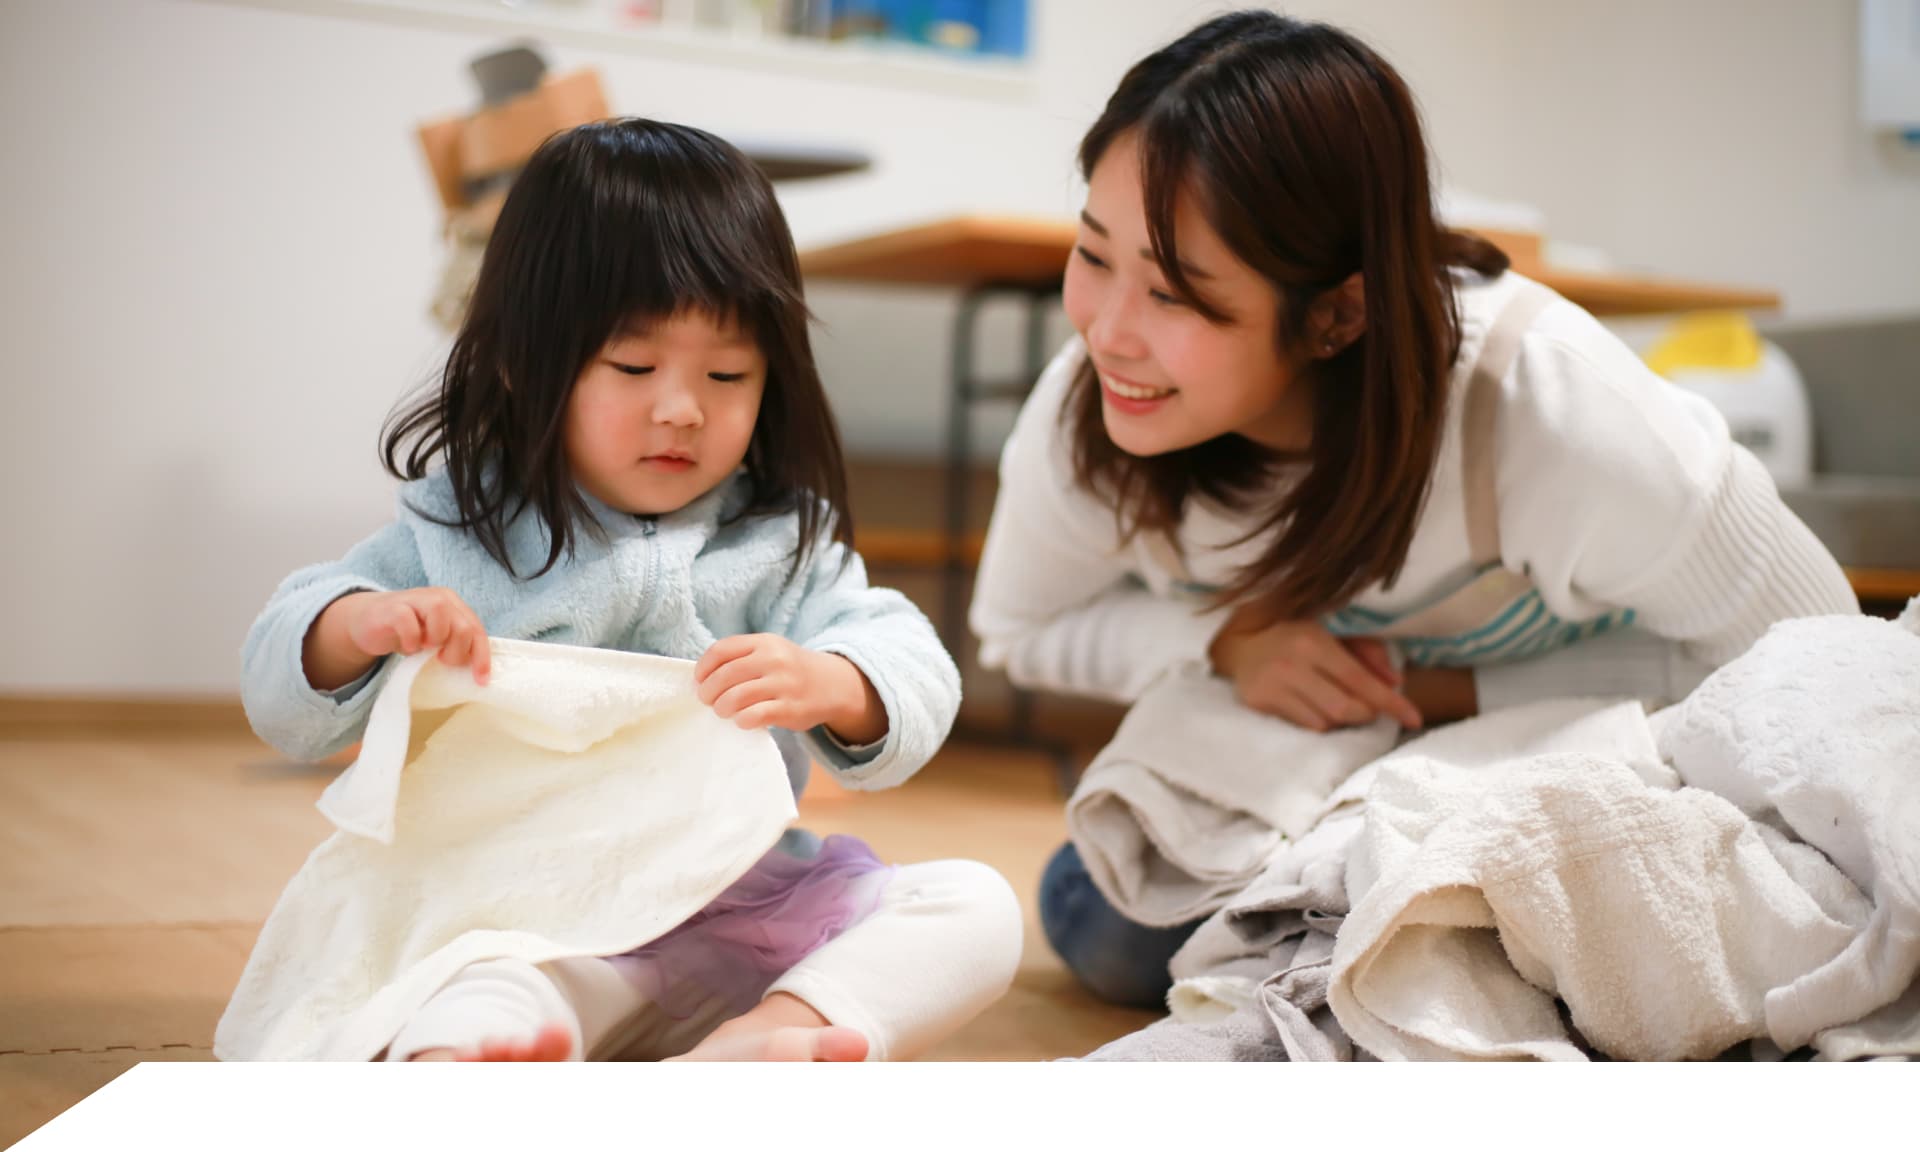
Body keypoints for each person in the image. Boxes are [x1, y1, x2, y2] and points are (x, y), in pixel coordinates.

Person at [968, 10, 1855, 1010]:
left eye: (1174, 294)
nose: (1108, 333)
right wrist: (1226, 643)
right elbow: (1020, 629)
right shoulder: (1089, 410)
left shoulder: (1553, 412)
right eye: (1093, 256)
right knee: (1110, 922)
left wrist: (1448, 693)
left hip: (1588, 745)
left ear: (1337, 312)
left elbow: (1819, 659)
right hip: (1334, 774)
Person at [240, 118, 1021, 1061]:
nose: (682, 408)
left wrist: (836, 682)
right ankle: (476, 1060)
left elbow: (910, 660)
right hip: (534, 927)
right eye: (635, 366)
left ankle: (763, 1043)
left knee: (977, 906)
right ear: (523, 362)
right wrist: (356, 625)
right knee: (478, 994)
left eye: (727, 372)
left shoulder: (781, 539)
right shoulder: (460, 527)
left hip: (750, 916)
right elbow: (281, 696)